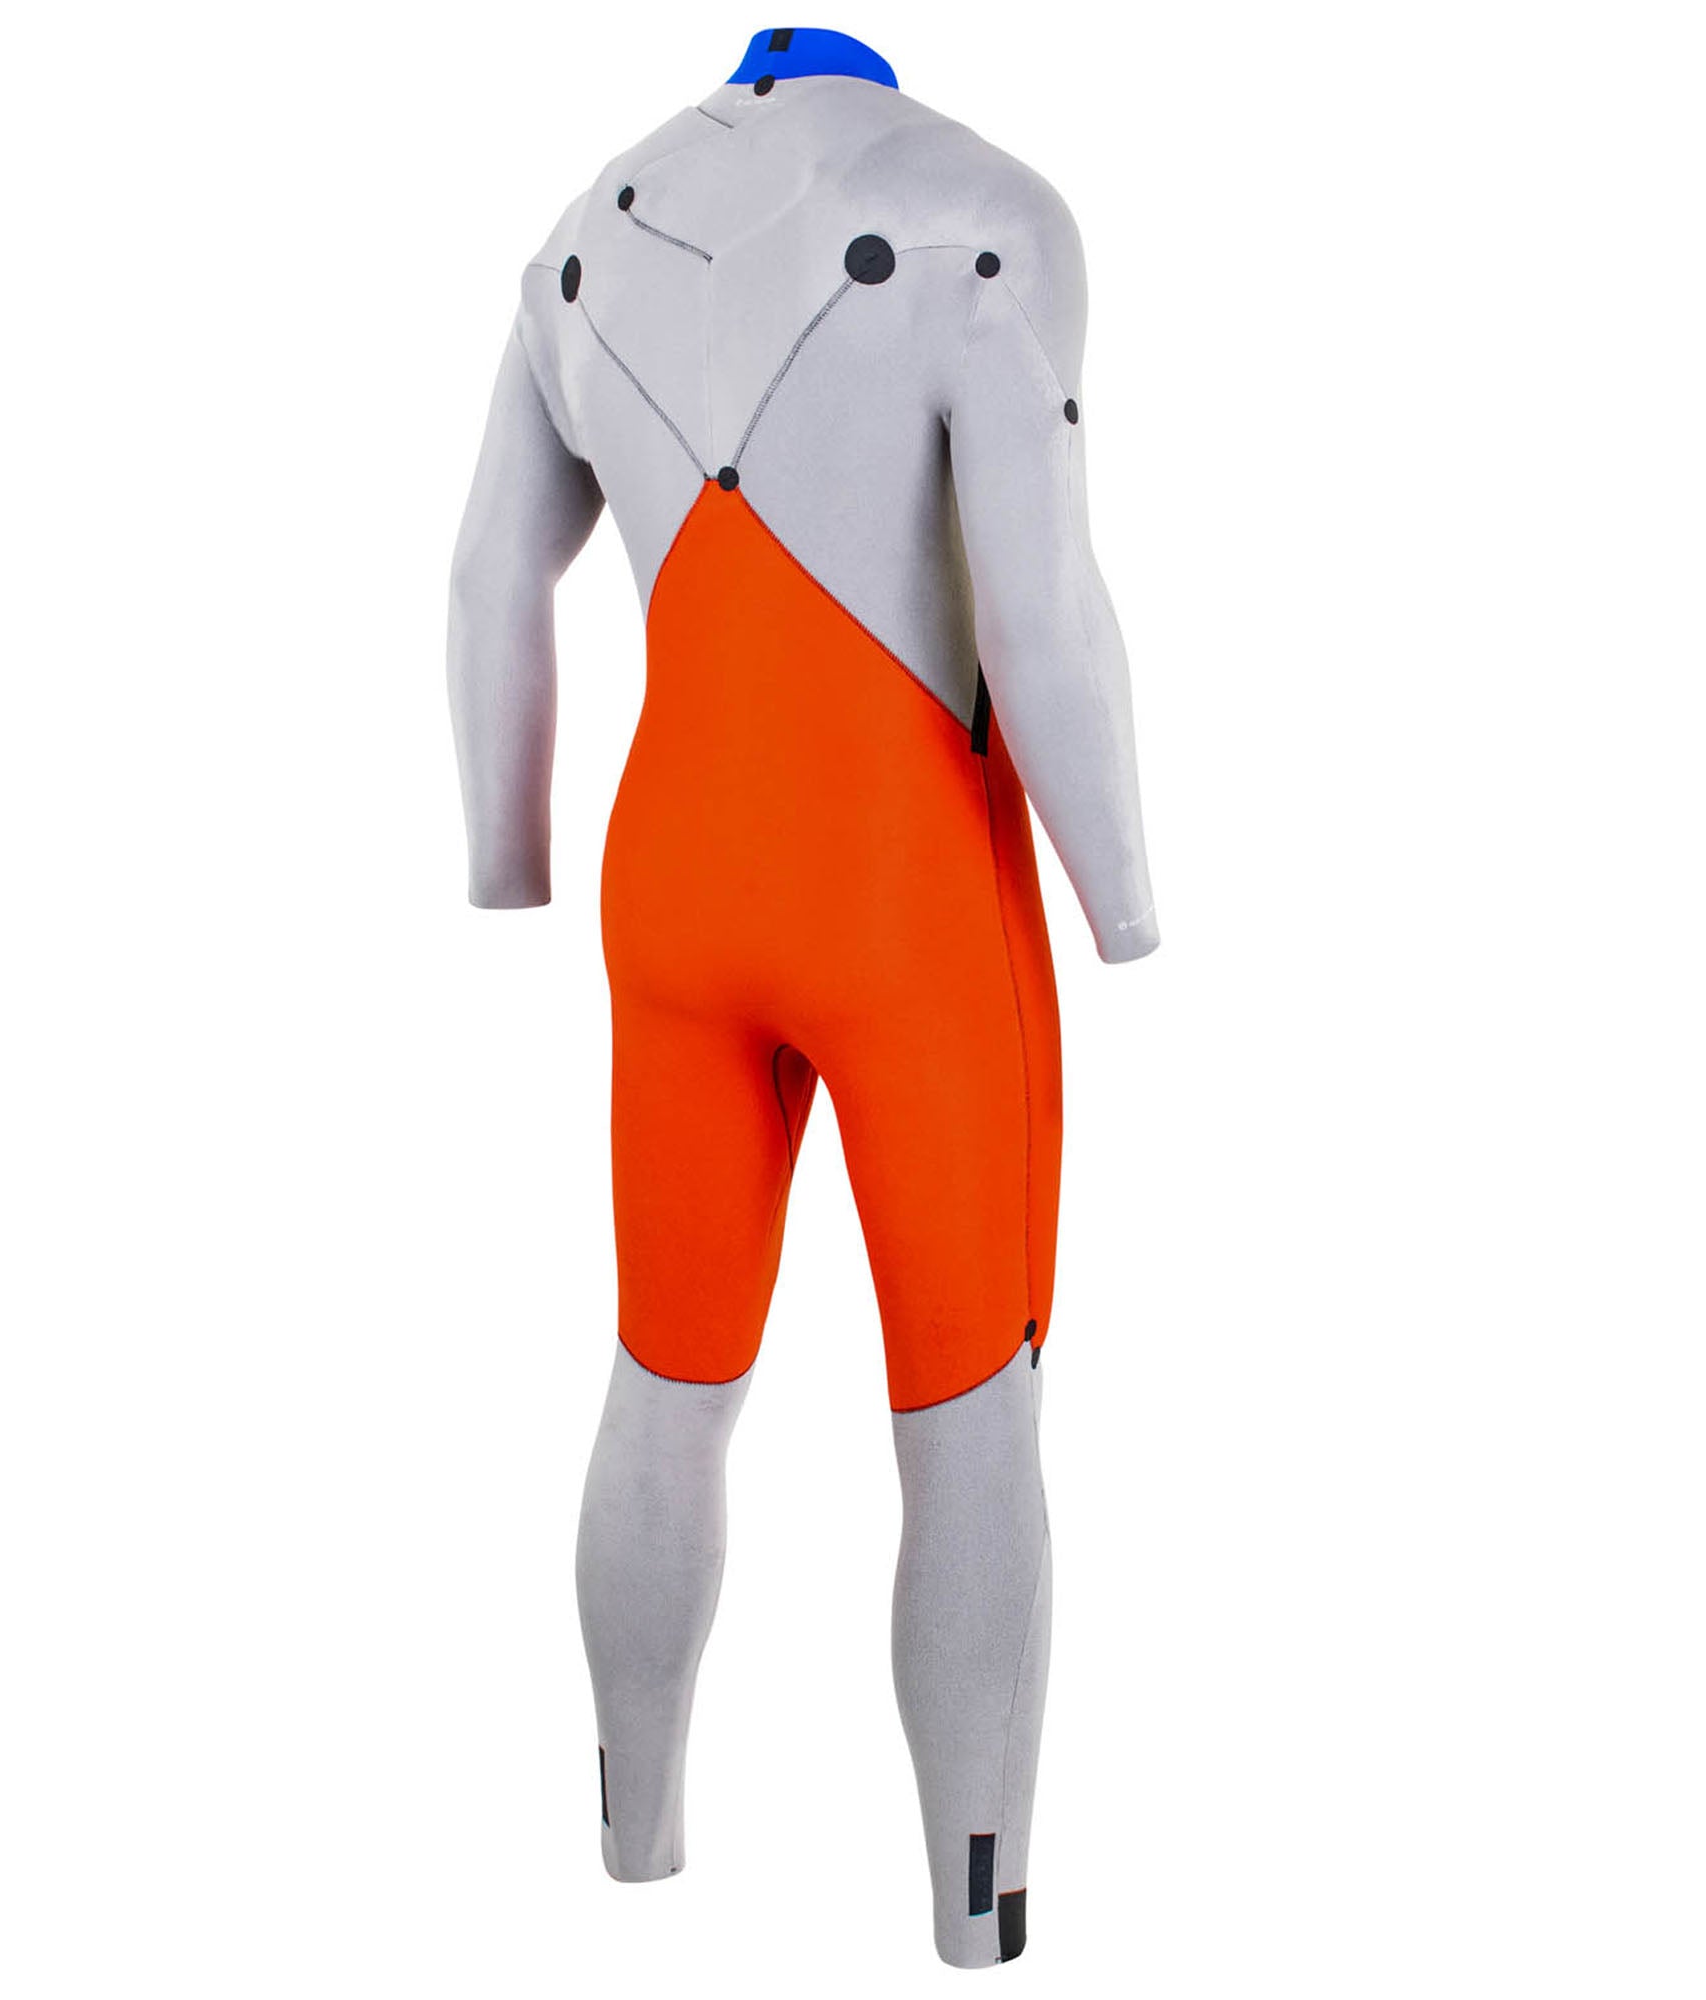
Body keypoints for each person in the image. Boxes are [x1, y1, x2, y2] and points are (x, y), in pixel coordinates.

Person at [447, 25, 1159, 1966]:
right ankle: (974, 1915)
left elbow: (490, 579)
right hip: (902, 903)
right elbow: (1042, 610)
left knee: (665, 1383)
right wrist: (1124, 896)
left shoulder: (581, 238)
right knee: (973, 1416)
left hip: (670, 894)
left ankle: (634, 1843)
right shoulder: (990, 215)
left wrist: (505, 855)